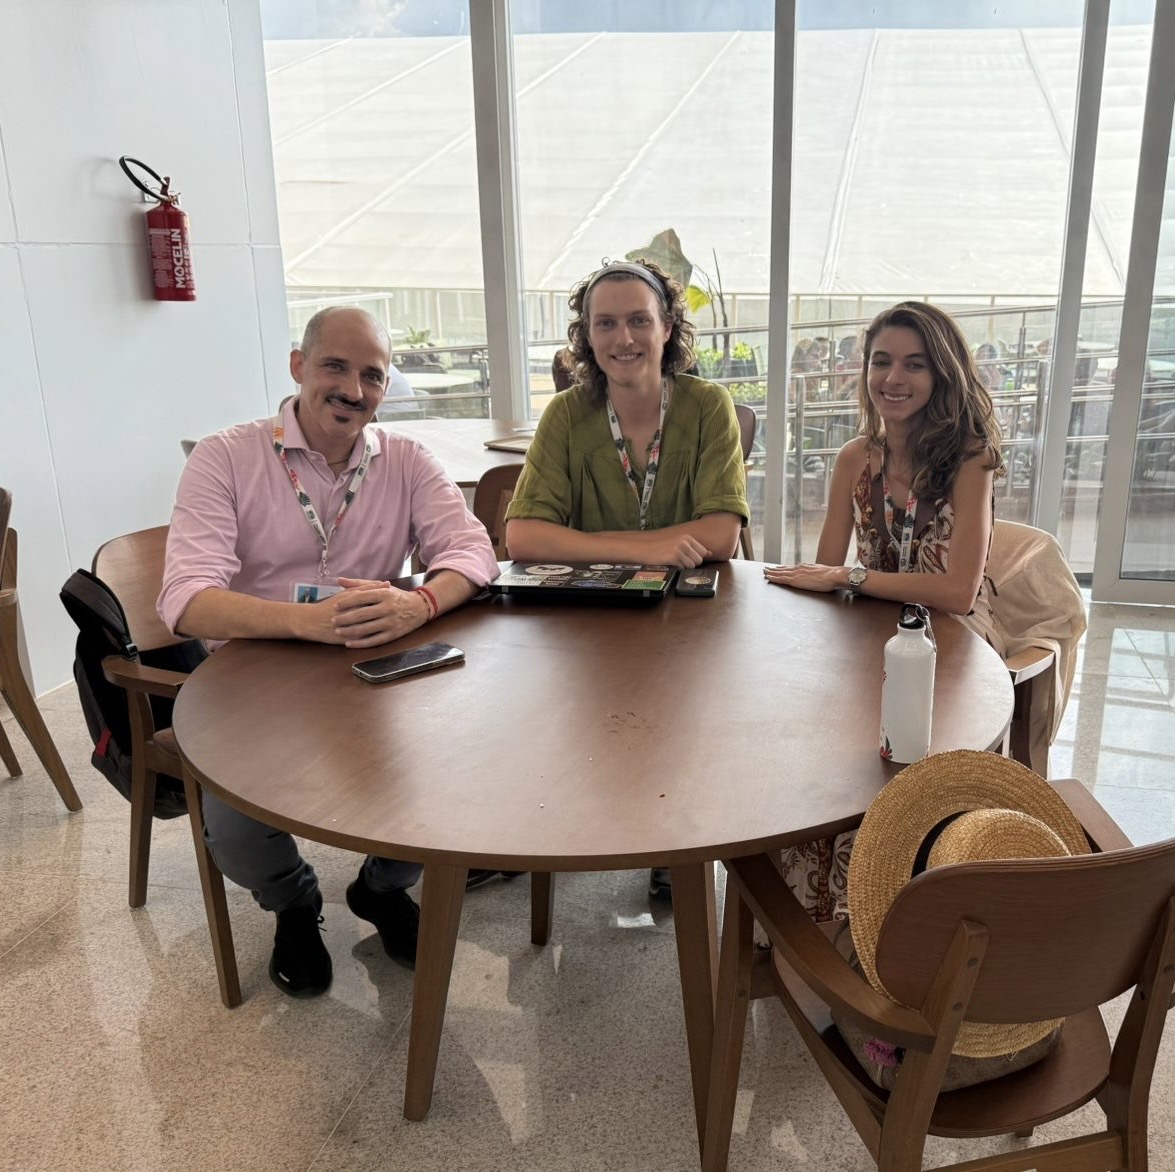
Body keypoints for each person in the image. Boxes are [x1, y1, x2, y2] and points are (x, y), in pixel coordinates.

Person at [158, 306, 500, 998]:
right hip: (253, 676)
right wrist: (300, 622)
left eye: (371, 375)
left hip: (374, 673)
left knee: (454, 778)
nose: (352, 389)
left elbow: (473, 551)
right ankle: (293, 901)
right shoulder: (225, 457)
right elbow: (186, 599)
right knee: (236, 832)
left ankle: (381, 886)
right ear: (298, 366)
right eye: (335, 368)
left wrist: (420, 602)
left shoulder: (405, 460)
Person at [504, 258, 749, 899]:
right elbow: (523, 537)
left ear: (668, 327)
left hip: (690, 620)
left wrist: (595, 547)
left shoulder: (707, 406)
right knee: (574, 719)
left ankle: (677, 837)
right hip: (592, 617)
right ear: (586, 337)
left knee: (685, 715)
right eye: (604, 323)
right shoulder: (565, 415)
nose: (623, 339)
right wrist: (658, 544)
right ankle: (574, 824)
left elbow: (720, 535)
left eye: (639, 320)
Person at [763, 300, 1004, 921]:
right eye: (881, 362)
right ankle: (819, 912)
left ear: (941, 376)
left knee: (903, 763)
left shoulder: (969, 460)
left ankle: (893, 910)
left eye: (914, 365)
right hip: (873, 629)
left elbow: (956, 591)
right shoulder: (854, 459)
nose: (893, 379)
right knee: (825, 752)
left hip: (952, 640)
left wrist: (851, 576)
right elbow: (825, 572)